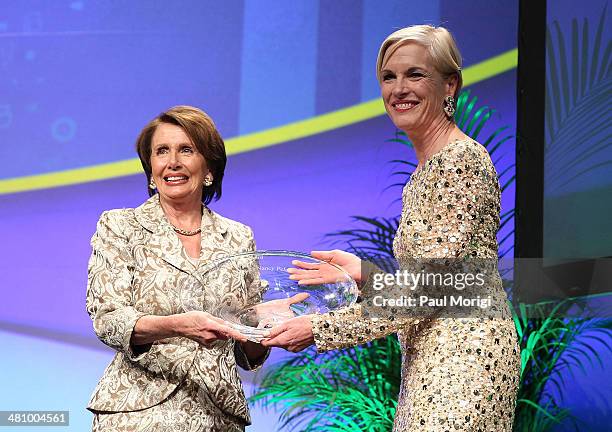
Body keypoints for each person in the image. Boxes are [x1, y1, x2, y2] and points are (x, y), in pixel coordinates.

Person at [261, 25, 521, 431]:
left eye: (415, 75)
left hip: (464, 359)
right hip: (433, 357)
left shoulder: (458, 162)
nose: (399, 88)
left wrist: (321, 328)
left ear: (449, 85)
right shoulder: (427, 170)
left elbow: (429, 291)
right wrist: (363, 273)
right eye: (389, 77)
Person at [86, 106, 269, 431]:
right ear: (151, 168)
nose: (172, 162)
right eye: (161, 151)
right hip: (138, 412)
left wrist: (267, 325)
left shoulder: (240, 236)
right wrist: (178, 325)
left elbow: (247, 350)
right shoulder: (119, 225)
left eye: (186, 149)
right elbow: (108, 321)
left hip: (218, 415)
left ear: (209, 166)